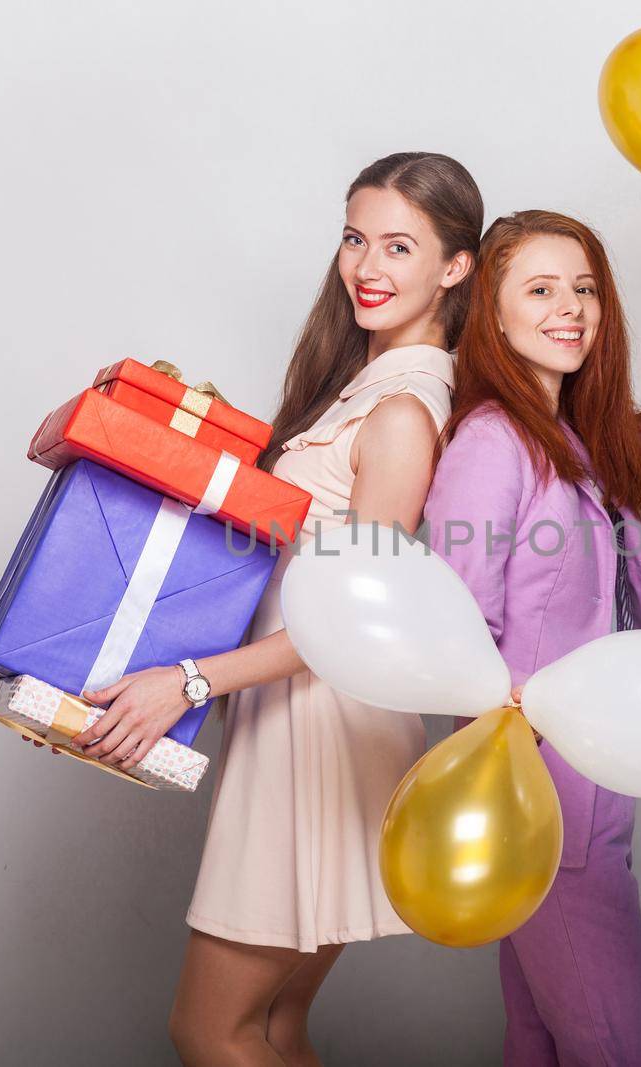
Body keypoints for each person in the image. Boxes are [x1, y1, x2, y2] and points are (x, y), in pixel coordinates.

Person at [54, 152, 483, 1066]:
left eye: (401, 246)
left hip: (319, 725)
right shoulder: (364, 387)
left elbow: (363, 620)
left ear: (455, 268)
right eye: (356, 238)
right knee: (273, 1026)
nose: (369, 265)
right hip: (304, 714)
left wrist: (189, 679)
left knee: (210, 1030)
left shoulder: (406, 410)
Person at [422, 205, 641, 1065]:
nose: (570, 307)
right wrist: (511, 766)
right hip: (541, 788)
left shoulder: (584, 435)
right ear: (492, 316)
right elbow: (457, 629)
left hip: (595, 772)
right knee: (614, 1044)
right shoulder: (493, 443)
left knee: (541, 1034)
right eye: (540, 289)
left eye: (583, 288)